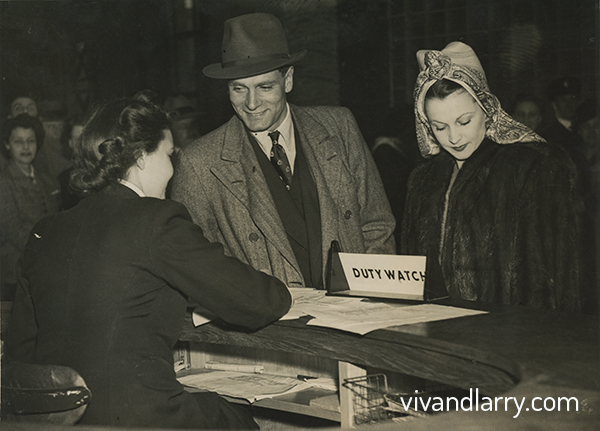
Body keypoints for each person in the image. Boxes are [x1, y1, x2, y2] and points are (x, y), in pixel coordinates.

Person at [4, 94, 292, 429]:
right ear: (141, 157)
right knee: (240, 419)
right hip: (141, 418)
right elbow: (255, 301)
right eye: (170, 154)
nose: (173, 167)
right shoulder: (157, 220)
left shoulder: (46, 231)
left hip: (56, 422)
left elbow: (20, 352)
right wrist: (285, 291)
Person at [171, 13, 395, 289]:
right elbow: (196, 267)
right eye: (238, 89)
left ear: (288, 80)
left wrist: (373, 304)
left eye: (265, 87)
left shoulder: (339, 127)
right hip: (268, 327)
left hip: (353, 318)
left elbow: (377, 226)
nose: (251, 103)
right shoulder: (199, 163)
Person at [400, 41, 581, 312]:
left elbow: (553, 279)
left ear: (488, 110)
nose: (453, 137)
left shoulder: (534, 166)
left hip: (505, 340)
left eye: (464, 121)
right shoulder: (424, 179)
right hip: (436, 336)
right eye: (439, 126)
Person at [0, 114, 60, 301]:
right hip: (17, 274)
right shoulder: (4, 183)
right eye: (18, 141)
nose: (26, 147)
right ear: (7, 145)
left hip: (47, 267)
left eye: (31, 141)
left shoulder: (47, 179)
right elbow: (15, 232)